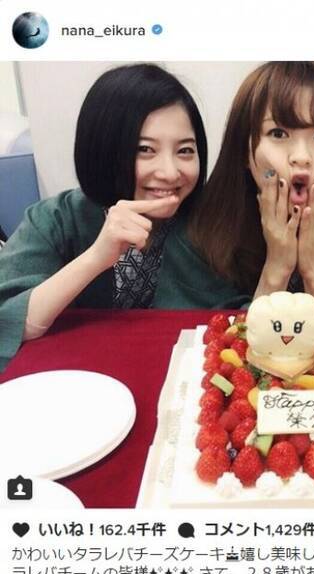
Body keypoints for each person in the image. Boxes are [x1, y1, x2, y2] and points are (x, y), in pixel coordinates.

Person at [0, 63, 245, 373]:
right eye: (145, 149)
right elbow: (8, 321)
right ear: (104, 149)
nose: (170, 172)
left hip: (177, 384)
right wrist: (96, 258)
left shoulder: (211, 223)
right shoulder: (54, 219)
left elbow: (241, 322)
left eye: (184, 151)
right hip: (74, 381)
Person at [187, 61, 314, 309]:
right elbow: (186, 330)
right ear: (244, 147)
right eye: (278, 134)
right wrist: (276, 271)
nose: (301, 157)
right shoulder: (196, 232)